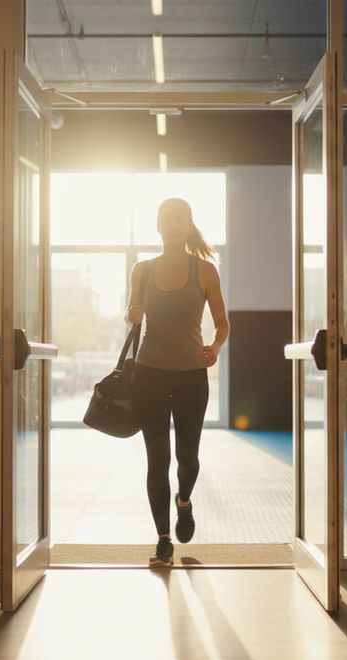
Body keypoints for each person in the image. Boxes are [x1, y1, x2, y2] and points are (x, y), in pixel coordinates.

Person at [125, 197, 230, 568]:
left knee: (187, 459)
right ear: (159, 225)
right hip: (149, 374)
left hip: (190, 376)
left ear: (188, 226)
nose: (173, 224)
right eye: (168, 219)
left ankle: (183, 502)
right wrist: (132, 313)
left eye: (180, 219)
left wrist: (214, 348)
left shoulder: (204, 271)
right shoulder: (143, 269)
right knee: (158, 459)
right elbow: (132, 312)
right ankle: (163, 540)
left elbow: (222, 324)